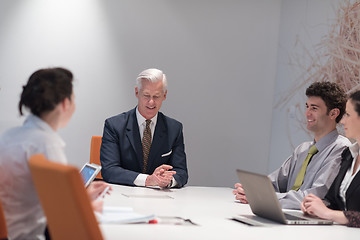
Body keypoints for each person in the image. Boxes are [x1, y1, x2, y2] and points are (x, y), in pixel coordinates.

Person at [0, 68, 109, 240]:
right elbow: (61, 215)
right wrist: (87, 208)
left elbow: (38, 196)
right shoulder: (46, 143)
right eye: (74, 99)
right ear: (65, 103)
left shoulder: (9, 136)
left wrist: (82, 197)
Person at [233, 82, 350, 209]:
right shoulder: (303, 150)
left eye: (314, 108)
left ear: (333, 113)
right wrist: (251, 190)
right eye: (307, 107)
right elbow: (275, 183)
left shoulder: (341, 149)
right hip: (288, 214)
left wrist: (262, 197)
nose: (307, 113)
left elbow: (316, 197)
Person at [100, 68, 188, 188]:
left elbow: (181, 172)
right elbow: (109, 170)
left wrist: (168, 180)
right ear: (137, 92)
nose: (151, 102)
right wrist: (147, 180)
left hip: (161, 200)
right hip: (123, 196)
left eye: (156, 96)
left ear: (164, 95)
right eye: (146, 96)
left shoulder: (174, 128)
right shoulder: (114, 126)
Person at [301, 90, 360, 227]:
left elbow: (333, 212)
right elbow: (333, 200)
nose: (343, 120)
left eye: (348, 114)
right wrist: (314, 205)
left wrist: (328, 214)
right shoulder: (349, 154)